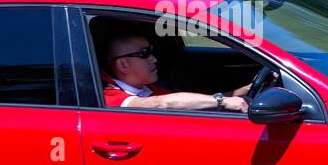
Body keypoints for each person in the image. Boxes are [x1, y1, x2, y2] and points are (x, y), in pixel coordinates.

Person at [101, 28, 252, 111]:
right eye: (144, 53)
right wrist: (222, 101)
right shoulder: (111, 97)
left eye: (151, 51)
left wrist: (244, 90)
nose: (153, 59)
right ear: (123, 64)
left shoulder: (146, 89)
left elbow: (198, 101)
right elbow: (163, 103)